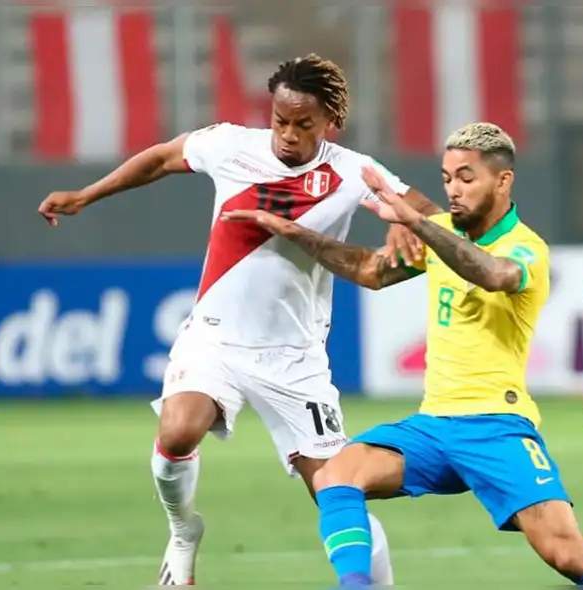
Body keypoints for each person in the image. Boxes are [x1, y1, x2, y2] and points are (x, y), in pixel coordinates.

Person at [36, 54, 440, 586]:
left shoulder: (350, 171)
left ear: (328, 122)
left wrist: (403, 225)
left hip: (293, 358)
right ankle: (183, 532)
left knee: (339, 490)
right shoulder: (231, 145)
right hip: (215, 338)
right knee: (178, 431)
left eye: (304, 124)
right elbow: (160, 159)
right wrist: (86, 195)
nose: (289, 134)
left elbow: (428, 213)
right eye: (280, 120)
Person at [224, 122, 583, 586]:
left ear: (502, 181)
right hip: (433, 427)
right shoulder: (439, 233)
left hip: (495, 427)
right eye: (447, 178)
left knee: (566, 553)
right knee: (336, 476)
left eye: (467, 178)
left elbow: (493, 274)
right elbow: (371, 269)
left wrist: (418, 224)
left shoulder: (527, 248)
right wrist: (295, 232)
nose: (453, 189)